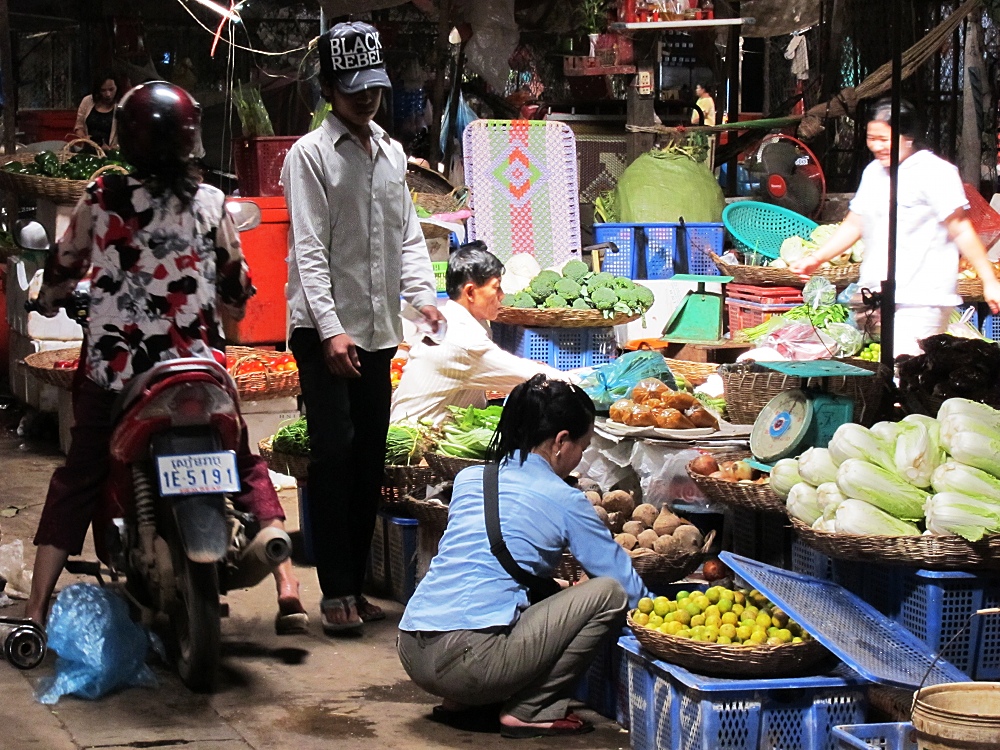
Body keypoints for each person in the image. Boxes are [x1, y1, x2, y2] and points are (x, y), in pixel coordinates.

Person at [25, 81, 307, 636]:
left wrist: (49, 297)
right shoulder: (209, 203)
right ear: (189, 140)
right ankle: (289, 585)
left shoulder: (104, 196)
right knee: (243, 458)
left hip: (117, 373)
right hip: (198, 368)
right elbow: (235, 285)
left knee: (79, 477)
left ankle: (33, 612)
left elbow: (62, 266)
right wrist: (225, 321)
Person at [282, 21, 444, 634]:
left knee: (370, 456)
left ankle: (353, 582)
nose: (367, 100)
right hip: (324, 331)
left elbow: (405, 235)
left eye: (373, 89)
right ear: (327, 89)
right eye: (354, 91)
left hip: (375, 330)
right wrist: (329, 331)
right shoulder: (311, 157)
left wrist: (422, 298)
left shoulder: (391, 152)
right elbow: (310, 251)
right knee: (334, 452)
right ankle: (337, 588)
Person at [398, 375, 649, 739]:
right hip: (469, 662)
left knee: (531, 590)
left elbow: (483, 561)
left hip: (412, 647)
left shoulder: (471, 478)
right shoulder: (566, 500)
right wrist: (671, 624)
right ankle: (533, 710)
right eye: (583, 446)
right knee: (608, 593)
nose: (579, 458)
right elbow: (626, 586)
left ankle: (462, 701)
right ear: (561, 441)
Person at [790, 98, 1000, 357]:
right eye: (871, 138)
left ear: (907, 137)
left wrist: (989, 281)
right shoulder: (873, 172)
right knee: (883, 375)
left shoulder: (936, 172)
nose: (876, 146)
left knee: (905, 370)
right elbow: (855, 222)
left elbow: (960, 228)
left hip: (922, 298)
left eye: (884, 139)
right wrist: (817, 258)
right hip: (878, 296)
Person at [390, 244, 568, 425]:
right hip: (418, 443)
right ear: (470, 292)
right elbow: (529, 377)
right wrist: (581, 382)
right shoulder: (462, 339)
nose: (502, 295)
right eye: (496, 288)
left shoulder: (459, 321)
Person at [74, 73, 120, 149]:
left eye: (111, 89)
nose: (108, 94)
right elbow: (79, 127)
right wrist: (84, 138)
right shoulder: (87, 101)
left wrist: (112, 148)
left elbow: (128, 135)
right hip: (88, 151)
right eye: (103, 90)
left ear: (117, 88)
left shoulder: (122, 106)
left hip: (112, 153)